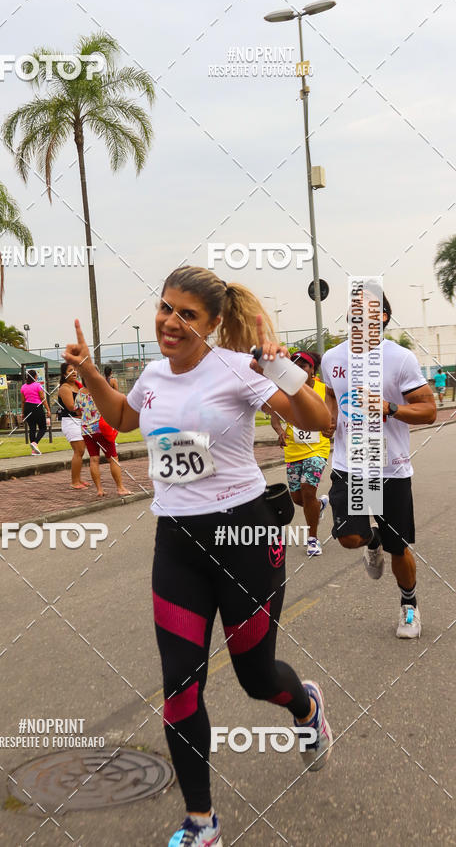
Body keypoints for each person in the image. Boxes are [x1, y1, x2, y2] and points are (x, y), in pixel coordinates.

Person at [64, 266, 333, 847]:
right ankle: (201, 821)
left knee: (256, 678)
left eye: (188, 314)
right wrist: (88, 371)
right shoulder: (153, 375)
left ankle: (306, 705)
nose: (171, 322)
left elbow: (319, 420)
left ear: (213, 324)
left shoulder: (240, 368)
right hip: (177, 545)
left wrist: (280, 365)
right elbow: (123, 418)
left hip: (245, 540)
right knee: (179, 686)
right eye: (166, 308)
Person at [321, 289, 436, 639]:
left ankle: (409, 606)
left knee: (398, 547)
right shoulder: (331, 358)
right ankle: (371, 540)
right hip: (351, 462)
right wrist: (329, 417)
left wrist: (389, 408)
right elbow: (330, 393)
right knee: (349, 536)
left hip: (390, 466)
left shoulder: (400, 359)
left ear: (383, 318)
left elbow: (429, 410)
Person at [270, 351, 333, 557]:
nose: (298, 368)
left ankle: (313, 539)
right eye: (294, 365)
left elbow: (337, 410)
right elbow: (274, 416)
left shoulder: (325, 390)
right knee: (298, 498)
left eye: (303, 365)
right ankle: (320, 505)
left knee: (308, 491)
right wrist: (280, 432)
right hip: (293, 451)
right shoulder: (286, 391)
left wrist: (332, 425)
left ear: (311, 369)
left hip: (318, 448)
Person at [75, 379, 131, 497]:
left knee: (94, 459)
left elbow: (78, 412)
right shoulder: (100, 390)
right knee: (113, 458)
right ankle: (120, 488)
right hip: (102, 429)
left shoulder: (80, 393)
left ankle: (99, 490)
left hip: (87, 430)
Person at [58, 363, 89, 489]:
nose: (74, 372)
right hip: (71, 422)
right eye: (71, 370)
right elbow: (72, 407)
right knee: (79, 450)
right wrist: (88, 409)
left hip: (82, 421)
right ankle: (74, 482)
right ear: (64, 374)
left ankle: (79, 479)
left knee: (81, 452)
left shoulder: (78, 386)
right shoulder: (65, 388)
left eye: (75, 370)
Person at [20, 369, 49, 455]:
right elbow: (43, 398)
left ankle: (34, 451)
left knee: (32, 428)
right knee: (43, 428)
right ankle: (35, 443)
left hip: (27, 408)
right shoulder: (38, 385)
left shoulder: (23, 387)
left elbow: (23, 401)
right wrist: (48, 409)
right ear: (35, 376)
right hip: (37, 407)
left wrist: (22, 413)